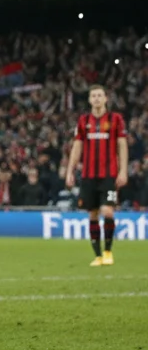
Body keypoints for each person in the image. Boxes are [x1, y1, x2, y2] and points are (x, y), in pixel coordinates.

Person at [65, 84, 127, 266]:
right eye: (94, 96)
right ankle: (98, 255)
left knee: (107, 210)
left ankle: (108, 251)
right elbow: (77, 147)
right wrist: (70, 171)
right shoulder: (83, 121)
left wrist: (123, 170)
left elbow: (122, 145)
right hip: (88, 175)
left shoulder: (116, 119)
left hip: (109, 174)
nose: (97, 99)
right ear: (90, 100)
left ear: (106, 98)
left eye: (100, 95)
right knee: (92, 214)